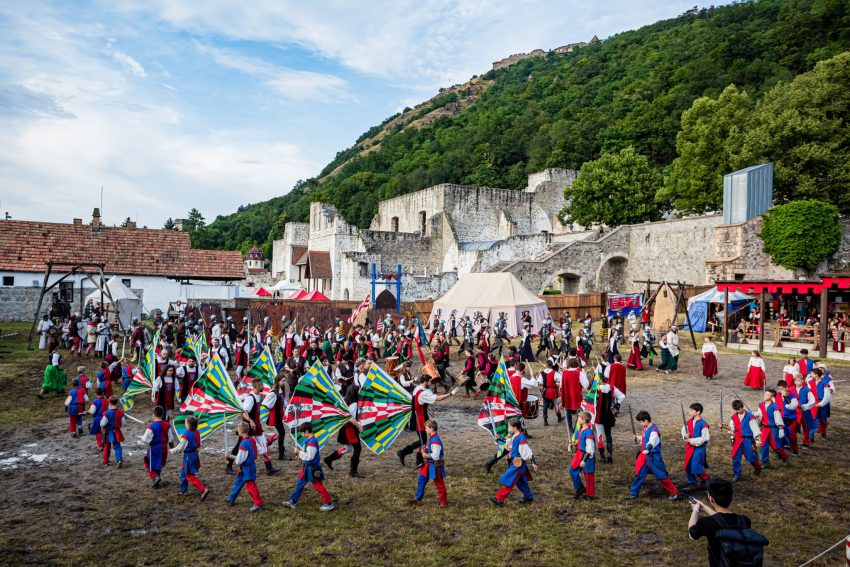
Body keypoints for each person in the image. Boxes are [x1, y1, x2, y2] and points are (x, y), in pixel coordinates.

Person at [688, 479, 767, 567]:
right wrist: (704, 507)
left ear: (711, 499)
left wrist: (695, 510)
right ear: (731, 498)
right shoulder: (744, 521)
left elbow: (692, 534)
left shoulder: (706, 523)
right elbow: (723, 521)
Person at [396, 376, 458, 467]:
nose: (431, 383)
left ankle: (417, 459)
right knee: (423, 440)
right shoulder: (422, 393)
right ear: (425, 382)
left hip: (419, 417)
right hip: (420, 419)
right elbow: (438, 398)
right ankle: (405, 453)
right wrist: (451, 393)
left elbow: (421, 403)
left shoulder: (417, 389)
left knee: (423, 440)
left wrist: (428, 410)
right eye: (429, 381)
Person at [626, 410, 679, 501]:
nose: (640, 424)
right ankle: (633, 493)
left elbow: (652, 441)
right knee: (639, 474)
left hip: (653, 457)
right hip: (644, 457)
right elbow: (646, 439)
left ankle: (674, 492)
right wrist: (638, 438)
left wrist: (648, 449)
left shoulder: (654, 431)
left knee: (661, 476)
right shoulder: (646, 429)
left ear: (646, 420)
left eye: (641, 422)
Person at [282, 423, 335, 511]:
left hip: (312, 469)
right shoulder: (310, 441)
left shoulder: (311, 443)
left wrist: (299, 452)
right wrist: (300, 455)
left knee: (318, 485)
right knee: (299, 484)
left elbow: (310, 456)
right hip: (306, 468)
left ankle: (328, 503)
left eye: (302, 433)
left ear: (306, 431)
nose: (302, 435)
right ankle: (293, 501)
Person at [491, 418, 536, 505]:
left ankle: (499, 499)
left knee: (510, 481)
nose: (508, 428)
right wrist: (500, 438)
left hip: (518, 465)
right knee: (521, 481)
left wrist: (533, 462)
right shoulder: (514, 435)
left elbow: (527, 451)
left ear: (515, 427)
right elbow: (509, 442)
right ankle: (528, 497)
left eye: (509, 427)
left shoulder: (521, 438)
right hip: (515, 462)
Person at [324, 388, 366, 478]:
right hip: (350, 429)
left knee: (348, 448)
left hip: (344, 428)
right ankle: (353, 471)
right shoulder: (354, 404)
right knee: (357, 448)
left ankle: (329, 459)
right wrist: (359, 426)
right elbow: (350, 418)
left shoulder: (344, 399)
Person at [225, 422, 265, 512]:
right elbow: (261, 450)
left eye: (237, 429)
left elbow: (239, 460)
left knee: (251, 486)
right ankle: (231, 497)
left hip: (247, 467)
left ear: (240, 431)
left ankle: (259, 504)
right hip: (249, 466)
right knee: (238, 482)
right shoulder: (252, 439)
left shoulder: (243, 444)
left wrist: (229, 456)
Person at [720, 399, 761, 481]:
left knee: (751, 457)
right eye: (736, 410)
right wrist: (724, 426)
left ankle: (758, 467)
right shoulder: (734, 417)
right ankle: (737, 475)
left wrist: (758, 441)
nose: (738, 411)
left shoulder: (750, 417)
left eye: (739, 409)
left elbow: (755, 430)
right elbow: (732, 428)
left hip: (748, 440)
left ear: (742, 407)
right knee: (735, 457)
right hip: (738, 439)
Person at [170, 415, 210, 500]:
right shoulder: (196, 432)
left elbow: (180, 448)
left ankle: (203, 489)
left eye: (185, 423)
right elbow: (199, 444)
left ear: (189, 425)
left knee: (189, 475)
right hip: (194, 454)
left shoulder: (186, 435)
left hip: (188, 457)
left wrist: (171, 451)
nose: (185, 424)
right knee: (183, 472)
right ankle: (183, 490)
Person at [410, 420, 448, 507]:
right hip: (428, 465)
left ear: (431, 428)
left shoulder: (436, 441)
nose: (425, 430)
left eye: (426, 428)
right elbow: (429, 449)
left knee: (439, 483)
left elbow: (436, 456)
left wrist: (426, 455)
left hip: (435, 466)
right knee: (421, 479)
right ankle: (418, 499)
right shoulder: (431, 438)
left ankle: (443, 502)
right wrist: (424, 449)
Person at [753, 389, 789, 467]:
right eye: (765, 394)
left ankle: (785, 456)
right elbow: (760, 415)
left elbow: (778, 418)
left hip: (773, 429)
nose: (765, 396)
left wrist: (781, 429)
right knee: (763, 445)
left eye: (767, 395)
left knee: (776, 446)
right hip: (764, 428)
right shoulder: (761, 405)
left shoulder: (774, 407)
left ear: (772, 397)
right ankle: (765, 462)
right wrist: (756, 415)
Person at [681, 403, 710, 491]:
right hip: (689, 447)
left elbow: (705, 438)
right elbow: (683, 431)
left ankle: (706, 479)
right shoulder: (689, 422)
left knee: (696, 466)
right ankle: (692, 483)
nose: (689, 412)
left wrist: (691, 440)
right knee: (688, 465)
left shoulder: (703, 424)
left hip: (699, 448)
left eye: (691, 410)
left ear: (698, 412)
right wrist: (685, 435)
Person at [142, 406, 174, 488]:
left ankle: (155, 477)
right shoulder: (167, 425)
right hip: (164, 448)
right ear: (162, 414)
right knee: (158, 464)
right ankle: (156, 482)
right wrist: (171, 446)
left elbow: (145, 439)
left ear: (153, 415)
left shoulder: (151, 427)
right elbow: (170, 438)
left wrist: (150, 441)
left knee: (148, 463)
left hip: (154, 449)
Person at [568, 411, 596, 500]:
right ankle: (580, 489)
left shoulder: (589, 433)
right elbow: (582, 443)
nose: (578, 419)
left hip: (587, 457)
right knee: (572, 470)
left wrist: (584, 460)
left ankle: (590, 495)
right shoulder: (581, 430)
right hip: (579, 454)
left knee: (588, 476)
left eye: (579, 418)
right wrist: (575, 445)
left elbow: (590, 449)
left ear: (584, 421)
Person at [100, 395, 125, 468]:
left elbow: (102, 423)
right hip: (117, 431)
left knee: (107, 446)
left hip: (108, 432)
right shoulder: (120, 413)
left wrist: (102, 427)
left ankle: (105, 461)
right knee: (117, 446)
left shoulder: (107, 413)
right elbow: (123, 423)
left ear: (109, 403)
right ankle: (119, 460)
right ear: (117, 402)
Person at [537, 360, 563, 426]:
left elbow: (539, 382)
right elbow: (560, 380)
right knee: (556, 404)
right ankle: (559, 417)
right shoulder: (555, 373)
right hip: (553, 391)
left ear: (545, 365)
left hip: (546, 391)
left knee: (545, 406)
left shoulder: (542, 373)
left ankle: (545, 421)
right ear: (552, 365)